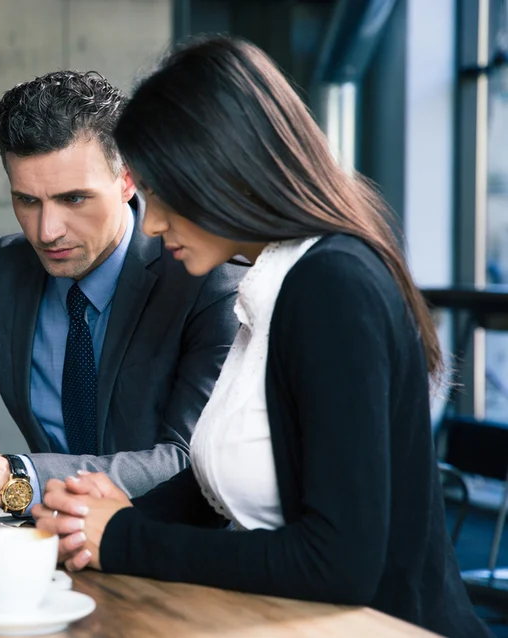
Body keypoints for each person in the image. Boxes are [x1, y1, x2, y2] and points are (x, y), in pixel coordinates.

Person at [33, 37, 490, 637]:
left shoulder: (331, 285)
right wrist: (104, 515)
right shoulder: (275, 282)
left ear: (224, 173)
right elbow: (231, 483)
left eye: (165, 195)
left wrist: (122, 536)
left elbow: (338, 565)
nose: (156, 223)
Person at [0, 70, 245, 517]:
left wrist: (16, 480)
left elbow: (190, 467)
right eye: (27, 200)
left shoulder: (207, 279)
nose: (47, 232)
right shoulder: (1, 271)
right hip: (48, 549)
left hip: (168, 554)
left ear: (128, 181)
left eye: (74, 199)